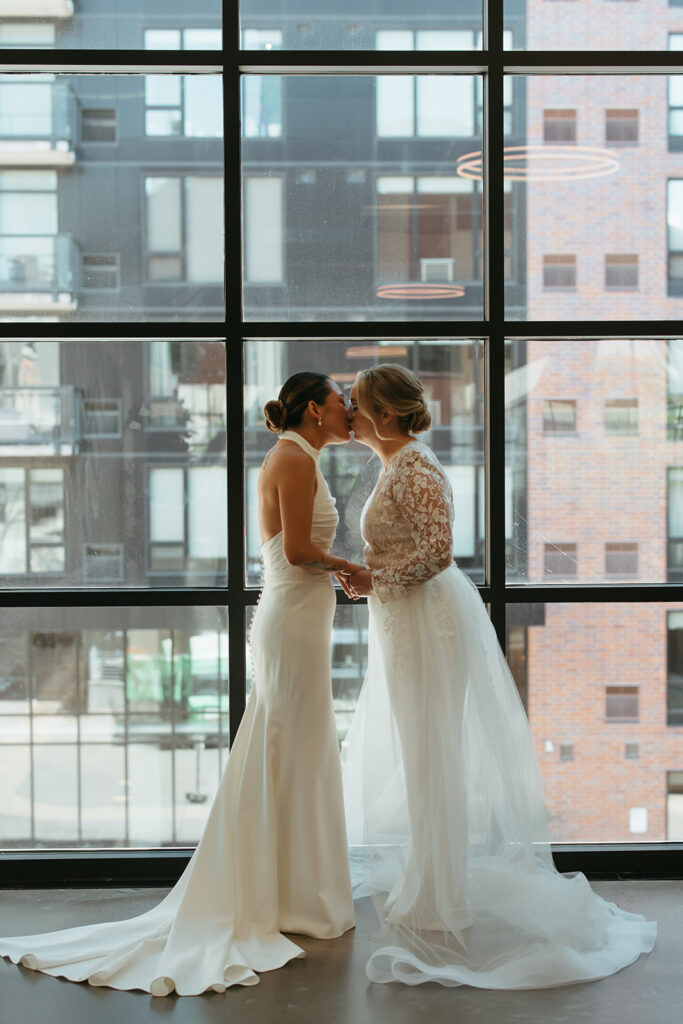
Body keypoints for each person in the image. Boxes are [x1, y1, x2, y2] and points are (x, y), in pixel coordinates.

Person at [0, 371, 359, 996]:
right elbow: (299, 549)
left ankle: (293, 890)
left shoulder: (298, 456)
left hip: (300, 616)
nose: (348, 408)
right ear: (311, 411)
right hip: (295, 616)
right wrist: (350, 566)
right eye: (339, 401)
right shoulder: (294, 461)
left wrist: (338, 573)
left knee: (297, 748)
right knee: (292, 747)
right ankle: (293, 895)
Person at [339, 363, 656, 988]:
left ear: (386, 413)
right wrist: (369, 577)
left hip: (430, 625)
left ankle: (442, 894)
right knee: (420, 750)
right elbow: (406, 550)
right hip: (404, 623)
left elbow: (436, 553)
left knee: (433, 753)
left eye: (355, 401)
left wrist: (377, 578)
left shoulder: (418, 465)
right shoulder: (392, 465)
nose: (346, 409)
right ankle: (431, 881)